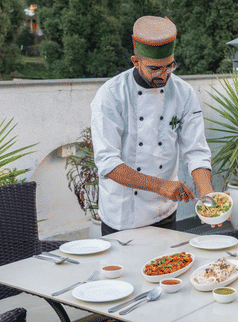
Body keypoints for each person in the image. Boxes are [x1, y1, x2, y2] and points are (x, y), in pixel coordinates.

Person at [90, 15, 216, 235]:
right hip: (124, 214)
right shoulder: (111, 95)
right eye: (155, 69)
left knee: (168, 267)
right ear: (135, 61)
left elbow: (196, 150)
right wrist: (161, 186)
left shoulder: (183, 93)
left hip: (164, 212)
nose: (164, 75)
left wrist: (209, 197)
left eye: (170, 66)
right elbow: (107, 162)